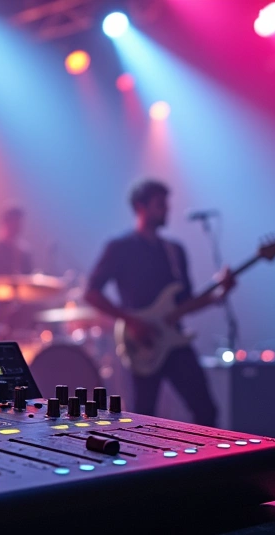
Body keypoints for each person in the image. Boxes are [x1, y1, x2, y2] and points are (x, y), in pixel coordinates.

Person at [84, 179, 233, 427]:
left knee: (206, 411)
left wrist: (219, 293)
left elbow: (186, 302)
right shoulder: (120, 247)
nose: (166, 209)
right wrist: (131, 321)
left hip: (175, 341)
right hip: (142, 343)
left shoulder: (175, 250)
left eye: (166, 204)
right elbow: (91, 293)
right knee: (142, 418)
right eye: (160, 204)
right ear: (140, 207)